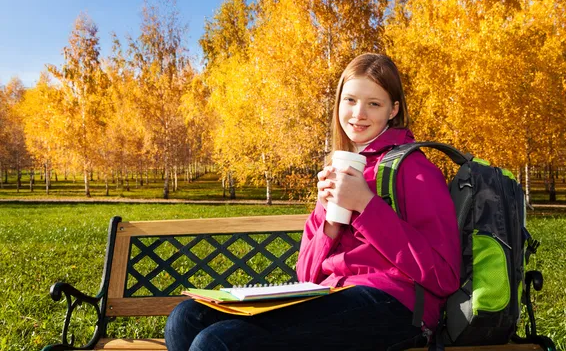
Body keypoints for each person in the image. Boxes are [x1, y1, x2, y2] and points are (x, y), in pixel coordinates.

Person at [164, 53, 460, 351]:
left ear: (392, 110)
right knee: (187, 317)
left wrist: (367, 206)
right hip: (332, 294)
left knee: (219, 341)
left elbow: (444, 277)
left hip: (397, 306)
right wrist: (330, 224)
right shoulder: (341, 170)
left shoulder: (414, 169)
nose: (359, 113)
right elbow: (306, 274)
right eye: (350, 100)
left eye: (374, 103)